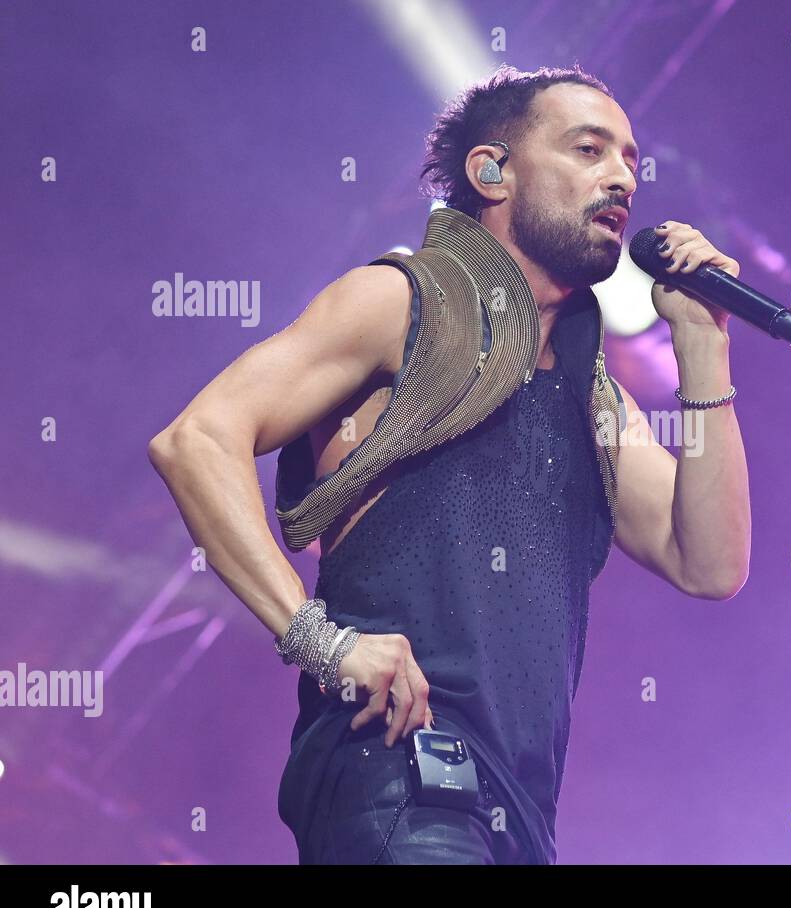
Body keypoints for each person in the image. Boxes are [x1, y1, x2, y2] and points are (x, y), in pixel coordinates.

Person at [147, 64, 751, 864]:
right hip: (400, 773)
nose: (621, 177)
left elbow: (709, 562)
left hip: (519, 812)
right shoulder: (401, 301)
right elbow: (196, 438)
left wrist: (703, 349)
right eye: (588, 148)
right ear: (491, 171)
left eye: (632, 160)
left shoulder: (593, 393)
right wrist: (318, 639)